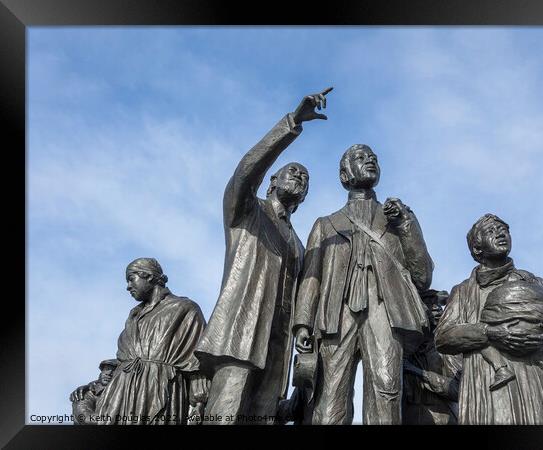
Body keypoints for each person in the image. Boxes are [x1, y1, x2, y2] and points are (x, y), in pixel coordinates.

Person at [194, 88, 333, 425]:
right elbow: (245, 171)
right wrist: (292, 122)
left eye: (306, 178)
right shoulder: (246, 212)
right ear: (271, 181)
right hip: (241, 335)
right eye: (293, 172)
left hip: (278, 344)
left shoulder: (299, 245)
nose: (301, 177)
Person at [293, 144, 434, 425]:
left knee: (387, 390)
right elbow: (312, 278)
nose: (369, 159)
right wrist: (302, 324)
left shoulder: (397, 220)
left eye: (374, 158)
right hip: (335, 315)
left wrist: (407, 225)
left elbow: (422, 276)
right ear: (345, 175)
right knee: (330, 398)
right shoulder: (326, 224)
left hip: (385, 311)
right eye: (360, 157)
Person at [434, 214, 543, 424]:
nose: (501, 234)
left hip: (536, 382)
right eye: (491, 231)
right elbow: (443, 337)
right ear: (477, 249)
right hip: (488, 385)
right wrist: (491, 333)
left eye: (504, 230)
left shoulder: (536, 283)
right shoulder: (463, 292)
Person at [94, 258, 209, 425]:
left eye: (131, 278)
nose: (128, 286)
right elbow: (122, 361)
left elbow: (197, 361)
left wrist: (199, 402)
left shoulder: (183, 308)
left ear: (148, 276)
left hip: (160, 387)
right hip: (120, 393)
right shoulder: (134, 316)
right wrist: (93, 389)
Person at [402, 290, 461, 425]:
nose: (436, 309)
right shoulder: (407, 348)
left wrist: (417, 372)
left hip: (443, 417)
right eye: (430, 305)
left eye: (438, 305)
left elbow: (456, 390)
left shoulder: (447, 348)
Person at [69, 359, 119, 424]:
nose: (109, 373)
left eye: (114, 371)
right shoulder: (86, 393)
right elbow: (84, 417)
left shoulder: (119, 392)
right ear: (101, 372)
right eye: (107, 369)